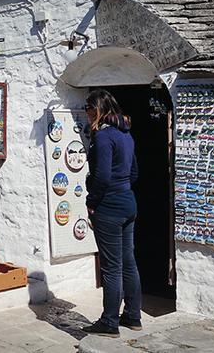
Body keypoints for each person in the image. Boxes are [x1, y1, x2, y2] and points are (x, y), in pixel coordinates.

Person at [81, 89, 141, 337]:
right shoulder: (125, 134)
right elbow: (135, 171)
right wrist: (122, 188)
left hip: (109, 205)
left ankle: (109, 321)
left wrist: (92, 201)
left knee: (111, 267)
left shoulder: (104, 137)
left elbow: (102, 175)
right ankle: (133, 315)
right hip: (127, 201)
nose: (86, 114)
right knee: (128, 262)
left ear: (98, 109)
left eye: (88, 109)